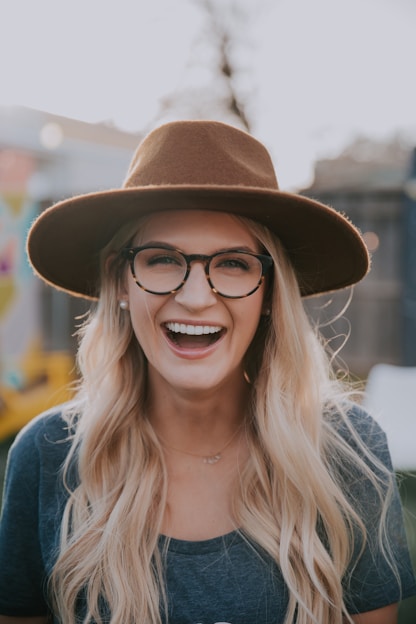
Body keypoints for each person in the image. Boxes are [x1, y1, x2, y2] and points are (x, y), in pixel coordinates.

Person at [0, 120, 415, 624]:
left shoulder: (346, 451)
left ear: (269, 291)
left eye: (234, 264)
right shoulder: (48, 456)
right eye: (161, 259)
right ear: (120, 281)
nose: (196, 298)